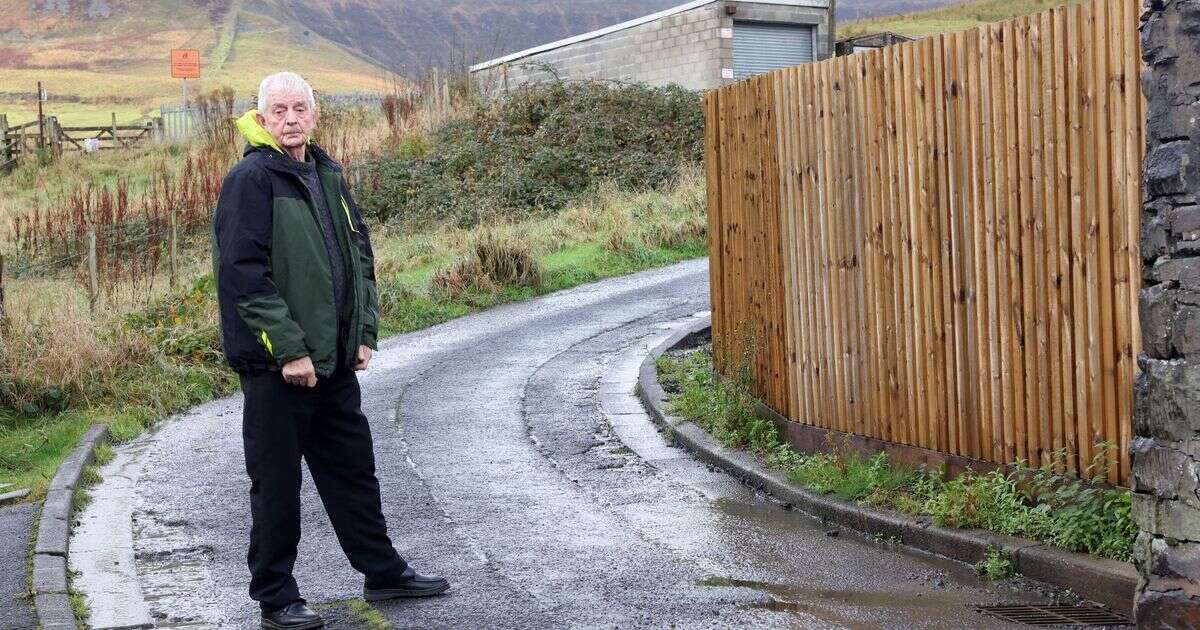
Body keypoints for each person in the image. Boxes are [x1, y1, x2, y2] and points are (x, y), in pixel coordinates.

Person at [212, 72, 449, 630]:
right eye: (279, 110)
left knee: (354, 473)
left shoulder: (327, 173)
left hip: (335, 362)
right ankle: (276, 598)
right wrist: (289, 351)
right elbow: (243, 275)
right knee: (277, 485)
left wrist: (363, 331)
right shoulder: (251, 180)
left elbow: (359, 257)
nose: (291, 118)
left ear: (314, 117)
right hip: (280, 368)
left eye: (300, 108)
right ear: (263, 118)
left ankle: (383, 573)